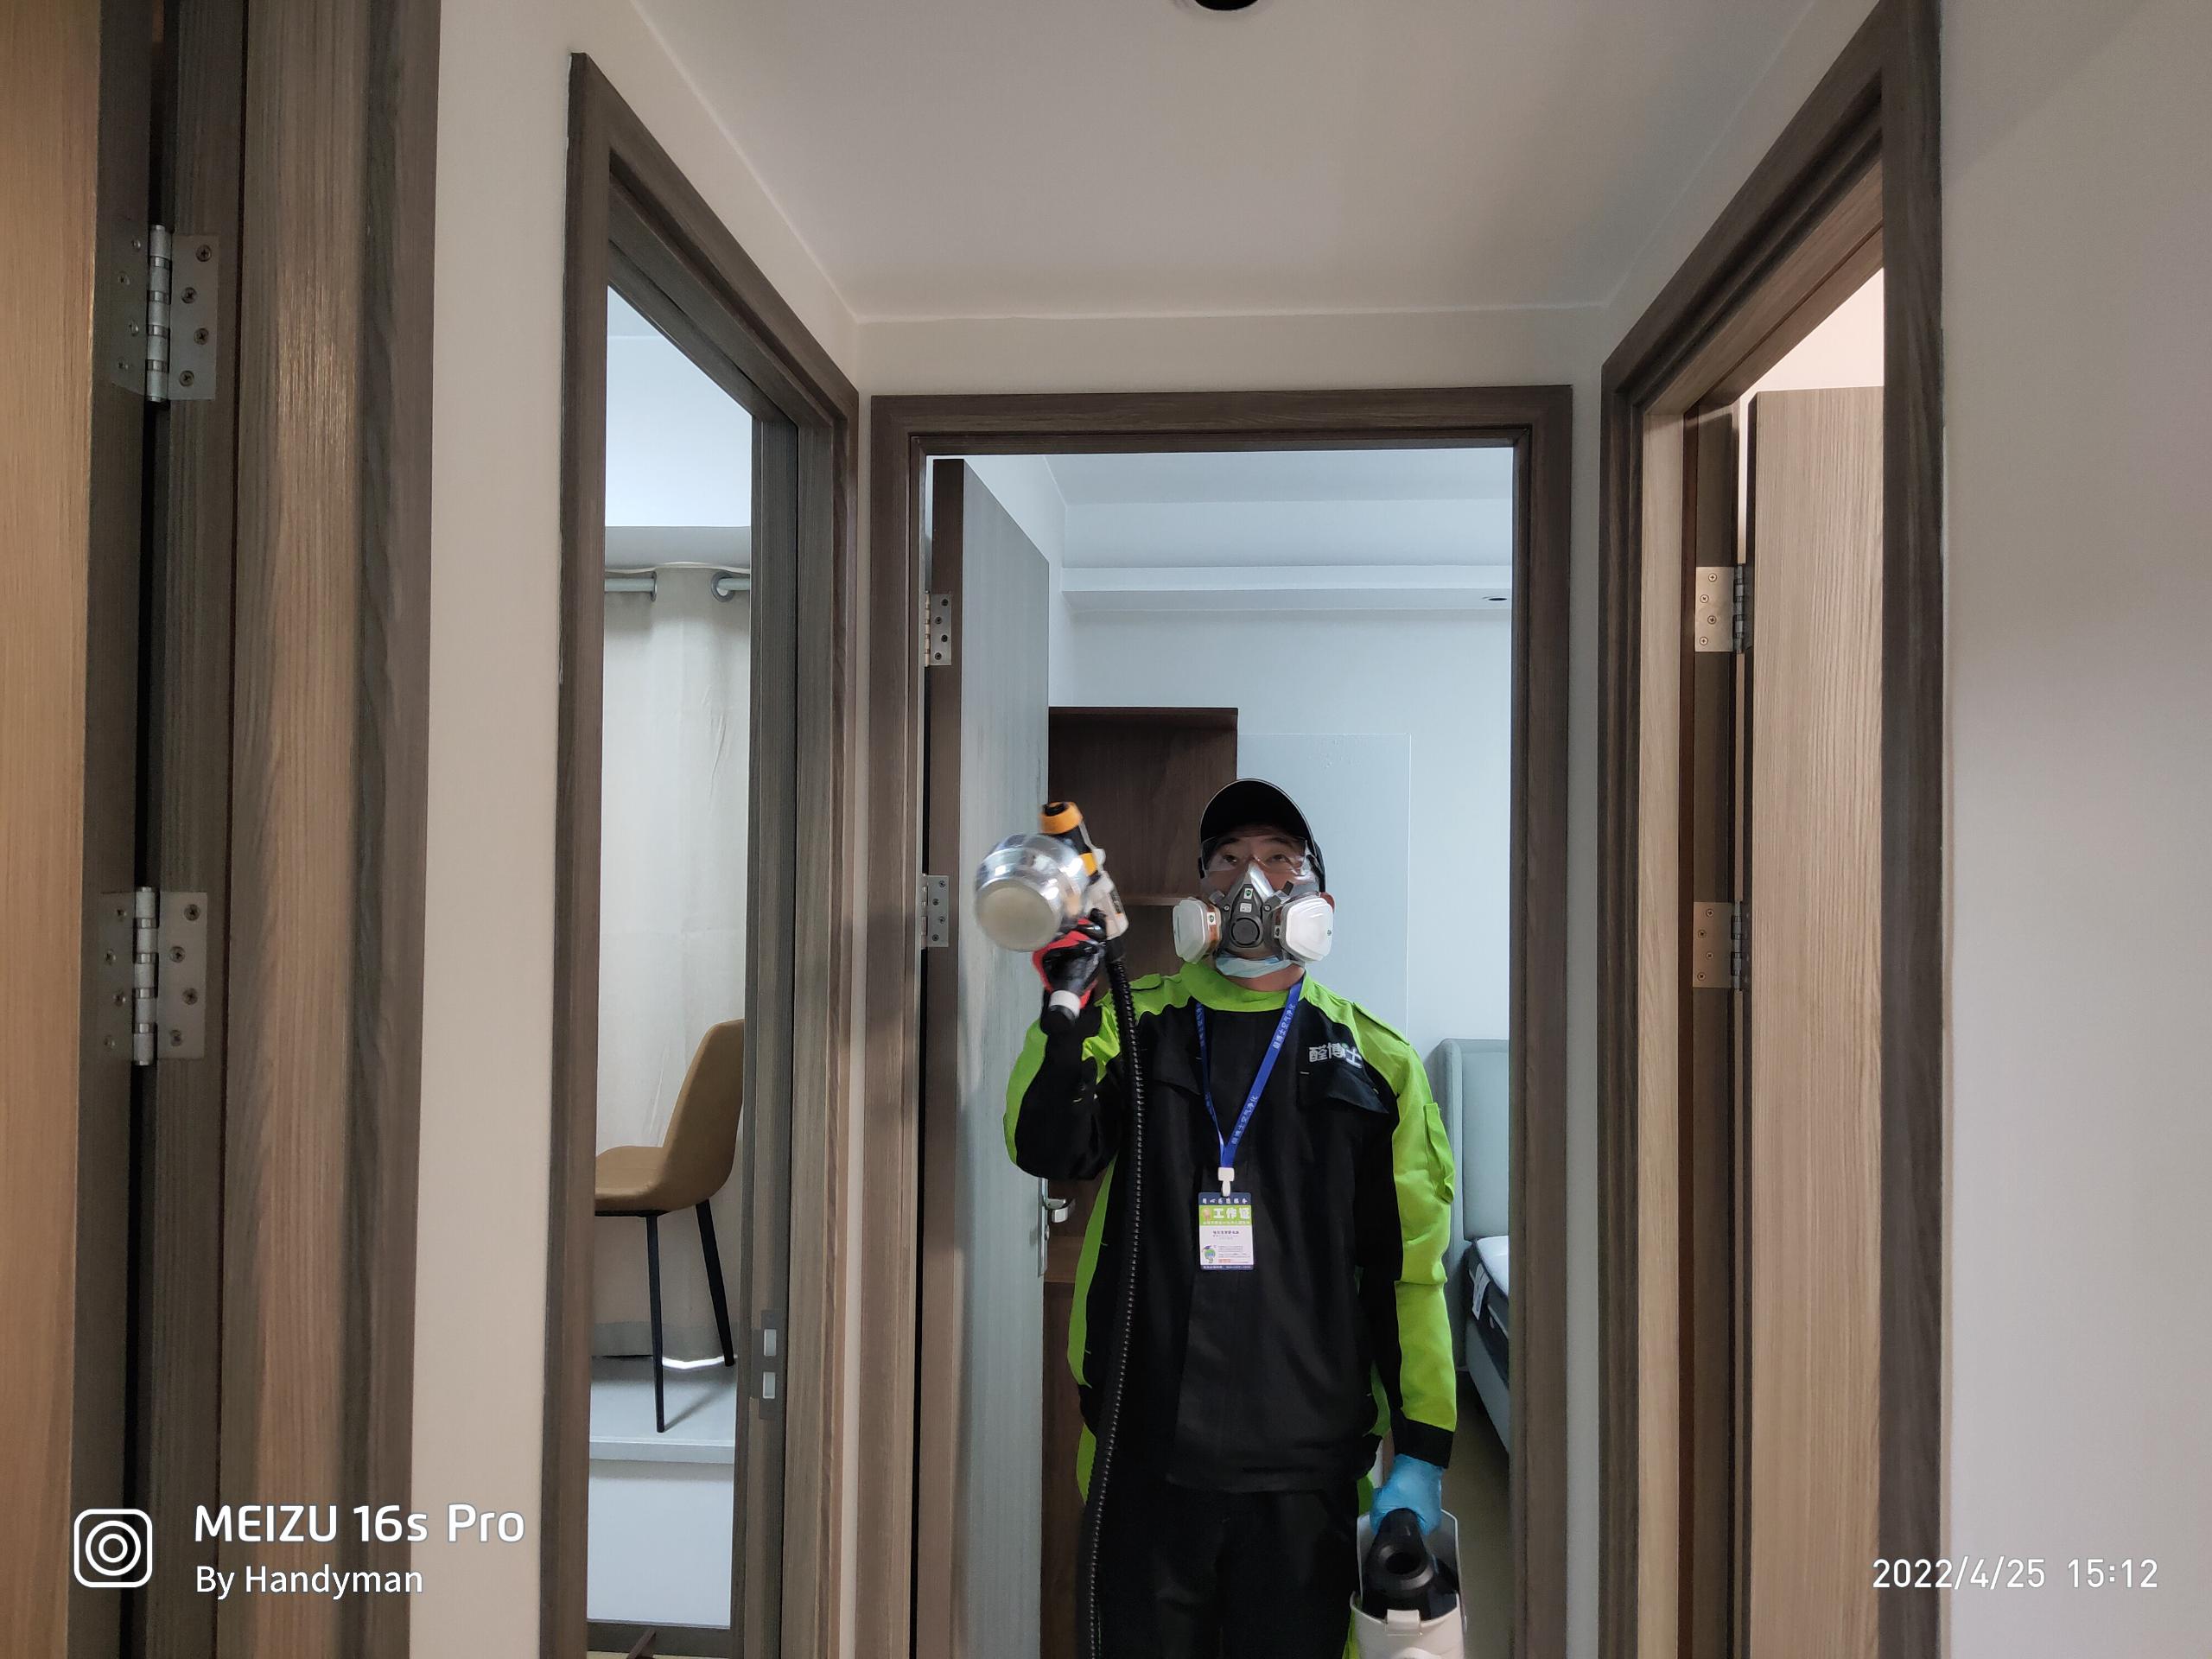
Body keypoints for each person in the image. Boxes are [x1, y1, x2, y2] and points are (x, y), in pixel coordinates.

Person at [1005, 778, 1457, 1659]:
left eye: (1279, 859)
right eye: (1227, 859)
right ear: (1201, 896)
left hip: (1304, 1464)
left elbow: (1409, 1269)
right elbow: (1047, 1145)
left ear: (1317, 901)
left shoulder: (1375, 1063)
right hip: (1144, 1450)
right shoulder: (1136, 1024)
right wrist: (1068, 1008)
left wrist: (1422, 1448)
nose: (1252, 878)